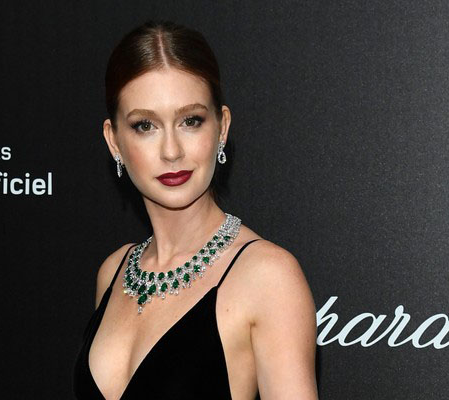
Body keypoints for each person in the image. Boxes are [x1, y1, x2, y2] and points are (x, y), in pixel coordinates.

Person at [73, 19, 318, 399]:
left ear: (222, 127)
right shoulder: (114, 271)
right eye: (145, 126)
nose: (171, 151)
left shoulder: (267, 277)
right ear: (113, 140)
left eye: (191, 121)